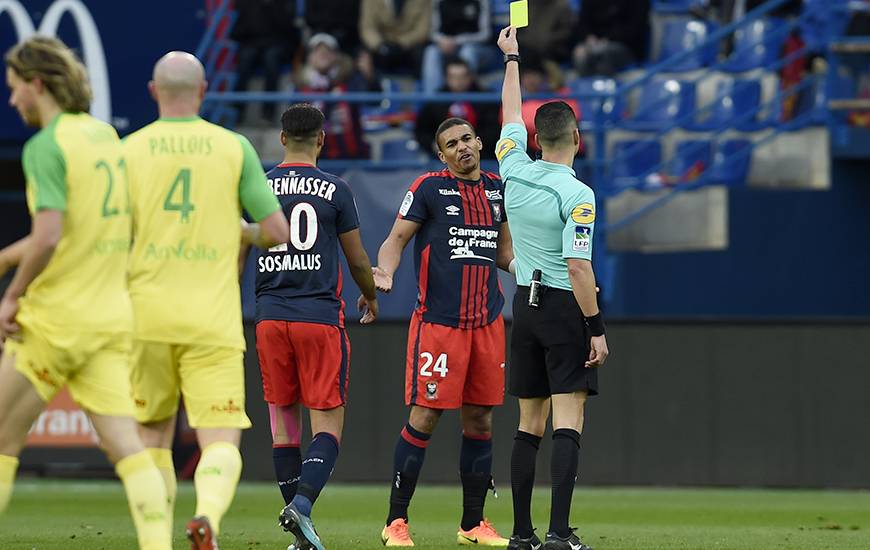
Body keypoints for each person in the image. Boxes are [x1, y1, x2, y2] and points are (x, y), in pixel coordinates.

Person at [0, 37, 172, 550]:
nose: (12, 102)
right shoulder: (104, 139)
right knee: (126, 445)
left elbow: (51, 235)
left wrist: (13, 295)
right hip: (110, 319)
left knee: (3, 439)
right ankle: (157, 543)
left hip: (54, 318)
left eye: (14, 90)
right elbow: (78, 226)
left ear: (37, 84)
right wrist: (8, 257)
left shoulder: (45, 146)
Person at [123, 51, 290, 550]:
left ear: (154, 92)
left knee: (151, 438)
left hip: (144, 316)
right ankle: (208, 518)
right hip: (211, 321)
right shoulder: (233, 147)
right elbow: (278, 230)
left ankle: (156, 543)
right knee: (219, 438)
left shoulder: (126, 150)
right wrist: (239, 231)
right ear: (203, 92)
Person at [374, 117, 514, 547]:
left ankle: (473, 524)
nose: (462, 148)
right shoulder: (429, 188)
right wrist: (386, 272)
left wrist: (531, 272)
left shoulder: (497, 190)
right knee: (425, 416)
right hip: (439, 325)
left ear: (479, 141)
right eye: (451, 144)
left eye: (467, 139)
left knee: (480, 418)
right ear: (442, 155)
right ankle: (395, 522)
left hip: (487, 323)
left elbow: (505, 252)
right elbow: (395, 240)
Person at [496, 27, 609, 550]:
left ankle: (522, 534)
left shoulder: (513, 168)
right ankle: (560, 534)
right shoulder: (578, 193)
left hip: (524, 307)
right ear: (577, 139)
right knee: (570, 418)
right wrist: (596, 328)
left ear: (534, 139)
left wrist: (512, 57)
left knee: (527, 424)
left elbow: (508, 114)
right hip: (564, 308)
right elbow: (579, 267)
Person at [250, 103, 379, 550]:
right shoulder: (337, 190)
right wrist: (371, 294)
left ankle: (301, 537)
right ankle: (302, 506)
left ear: (281, 139)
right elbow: (357, 258)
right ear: (322, 139)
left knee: (283, 427)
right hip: (318, 318)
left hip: (269, 316)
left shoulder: (260, 187)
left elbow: (240, 245)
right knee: (327, 427)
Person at [294, 33, 377, 159]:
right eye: (317, 51)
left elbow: (372, 101)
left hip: (350, 157)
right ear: (310, 58)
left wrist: (369, 79)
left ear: (337, 56)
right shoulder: (300, 88)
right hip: (315, 161)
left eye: (328, 51)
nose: (323, 54)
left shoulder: (351, 80)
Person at [414, 57, 499, 159]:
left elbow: (494, 130)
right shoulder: (435, 100)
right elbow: (422, 130)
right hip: (443, 160)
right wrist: (434, 144)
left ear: (470, 77)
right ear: (446, 78)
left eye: (462, 77)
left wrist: (471, 145)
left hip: (483, 157)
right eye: (453, 77)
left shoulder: (486, 98)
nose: (458, 81)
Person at [230, 0, 300, 122]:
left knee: (271, 59)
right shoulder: (246, 3)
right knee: (245, 57)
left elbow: (289, 29)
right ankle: (237, 109)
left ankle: (268, 111)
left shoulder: (285, 3)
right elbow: (239, 30)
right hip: (253, 43)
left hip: (277, 43)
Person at [421, 0, 491, 93]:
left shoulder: (481, 1)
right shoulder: (438, 2)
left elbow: (485, 34)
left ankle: (466, 100)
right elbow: (433, 32)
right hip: (445, 46)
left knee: (468, 51)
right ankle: (434, 103)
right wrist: (442, 40)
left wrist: (457, 41)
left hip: (478, 48)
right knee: (431, 52)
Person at [572, 0, 650, 77]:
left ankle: (606, 86)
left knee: (603, 53)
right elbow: (583, 23)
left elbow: (635, 28)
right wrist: (588, 37)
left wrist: (608, 39)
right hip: (594, 43)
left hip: (627, 46)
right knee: (580, 54)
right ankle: (586, 86)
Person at [360, 0, 432, 75]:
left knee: (426, 52)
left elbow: (422, 30)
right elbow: (368, 28)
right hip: (382, 45)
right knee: (364, 56)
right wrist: (380, 45)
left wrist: (400, 44)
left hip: (409, 45)